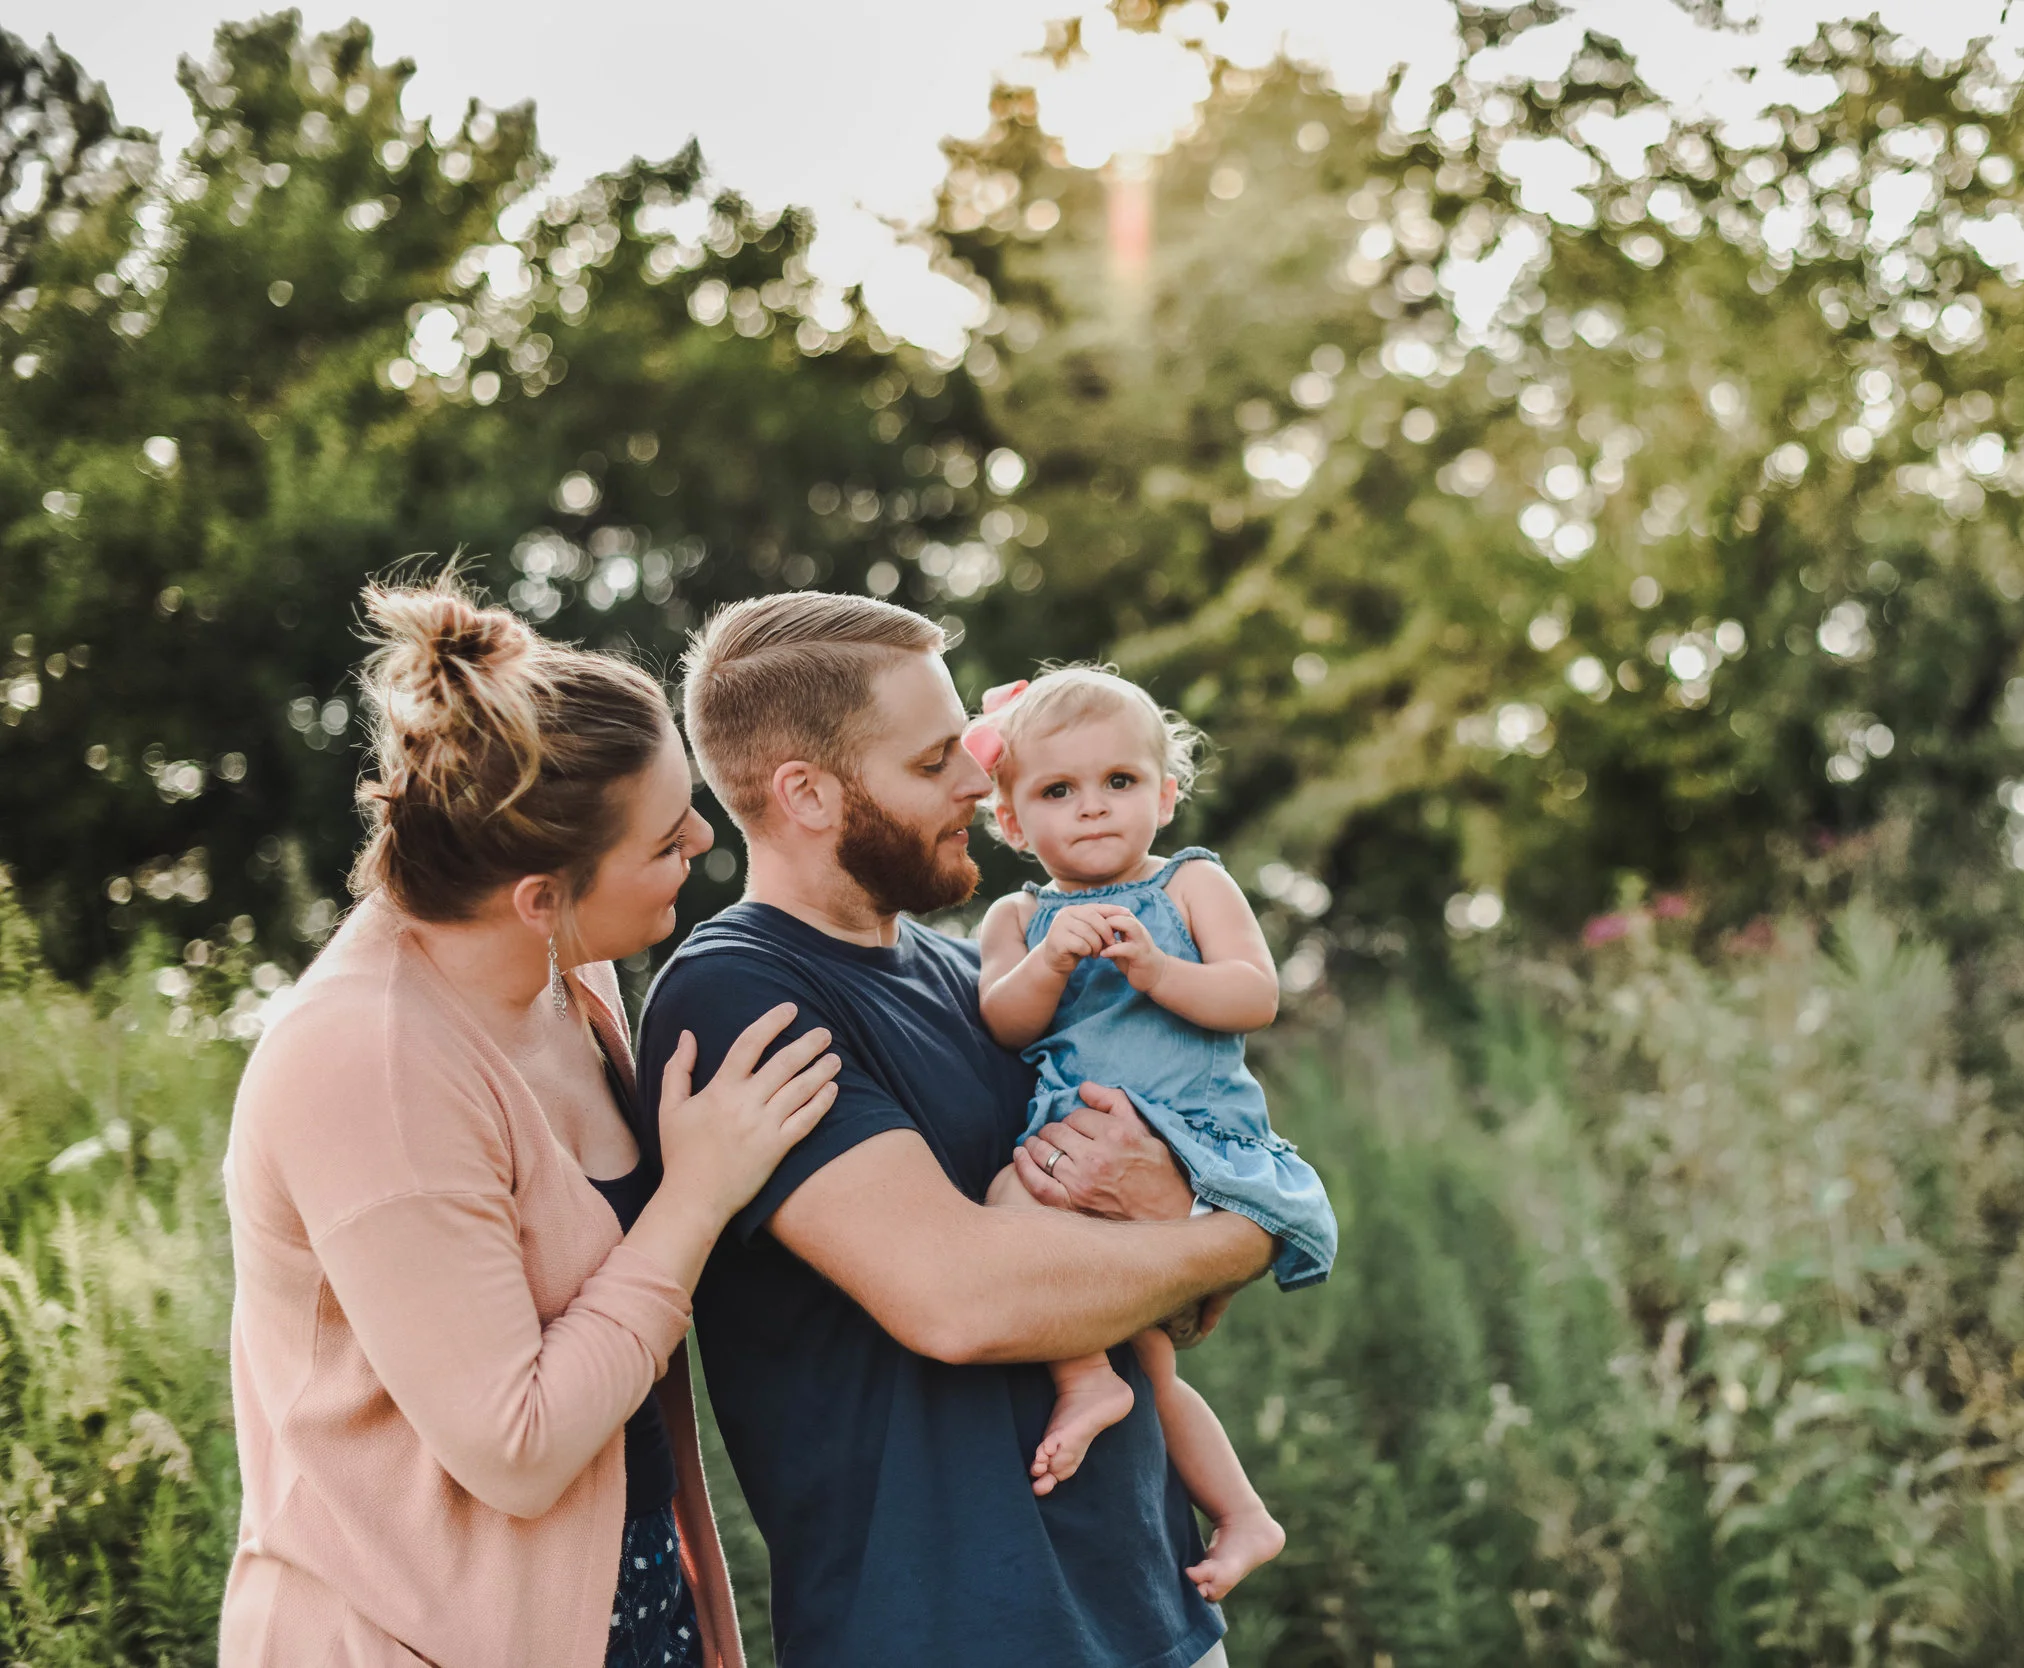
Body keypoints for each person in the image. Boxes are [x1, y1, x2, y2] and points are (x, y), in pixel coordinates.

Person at [635, 592, 1278, 1668]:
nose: (982, 783)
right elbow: (960, 1300)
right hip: (952, 1629)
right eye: (937, 761)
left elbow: (1157, 1288)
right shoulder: (741, 994)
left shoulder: (980, 979)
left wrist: (1175, 1218)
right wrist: (1250, 1233)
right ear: (806, 793)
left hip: (1155, 1609)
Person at [221, 577, 841, 1667]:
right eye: (666, 841)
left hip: (622, 1594)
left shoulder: (562, 975)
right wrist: (697, 1196)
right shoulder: (369, 1070)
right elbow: (516, 1449)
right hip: (415, 1633)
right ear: (540, 897)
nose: (705, 838)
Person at [964, 666, 1335, 1601]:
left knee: (1037, 1231)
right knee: (1147, 1360)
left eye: (1119, 781)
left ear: (1165, 797)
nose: (1092, 807)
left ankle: (1093, 1381)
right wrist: (1049, 962)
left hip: (1195, 1138)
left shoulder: (1191, 882)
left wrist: (1159, 970)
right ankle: (1232, 1504)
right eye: (1058, 790)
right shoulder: (1016, 917)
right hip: (1076, 1148)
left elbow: (1254, 993)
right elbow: (1003, 1022)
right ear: (1011, 821)